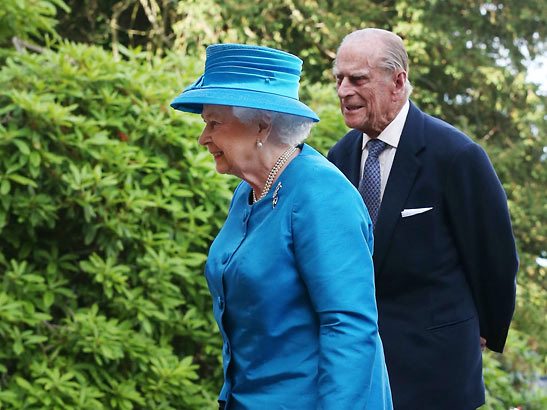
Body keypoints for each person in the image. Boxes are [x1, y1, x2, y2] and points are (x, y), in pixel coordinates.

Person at [170, 43, 393, 410]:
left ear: (261, 124)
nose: (203, 138)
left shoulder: (320, 195)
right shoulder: (249, 191)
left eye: (213, 123)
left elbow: (350, 329)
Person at [328, 28, 519, 410]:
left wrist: (479, 332)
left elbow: (494, 260)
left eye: (358, 79)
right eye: (339, 79)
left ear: (398, 82)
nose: (344, 90)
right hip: (359, 374)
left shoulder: (456, 155)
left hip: (437, 375)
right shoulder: (338, 159)